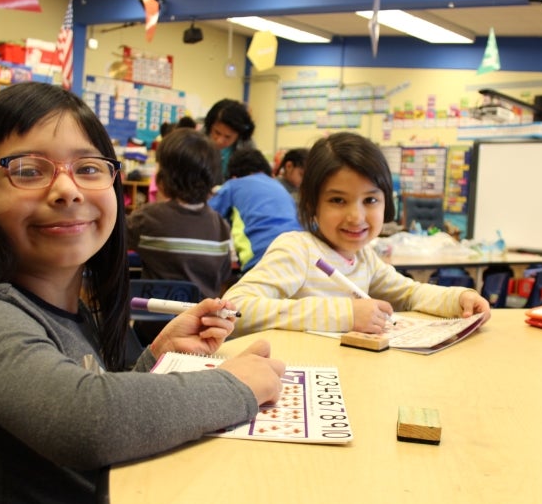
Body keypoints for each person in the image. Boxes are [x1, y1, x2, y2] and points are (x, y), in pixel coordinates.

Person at [0, 82, 284, 504]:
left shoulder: (71, 310)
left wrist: (156, 356)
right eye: (27, 170)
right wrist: (235, 386)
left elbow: (90, 399)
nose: (66, 190)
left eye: (88, 168)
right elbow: (84, 420)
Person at [223, 131, 491, 337]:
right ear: (311, 204)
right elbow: (234, 308)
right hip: (300, 385)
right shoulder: (298, 249)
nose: (356, 217)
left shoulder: (364, 257)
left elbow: (410, 294)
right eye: (338, 201)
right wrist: (345, 314)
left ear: (387, 202)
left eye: (370, 201)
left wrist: (458, 299)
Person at [127, 128, 233, 343]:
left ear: (164, 176)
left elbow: (109, 242)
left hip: (152, 332)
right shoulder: (221, 226)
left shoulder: (147, 219)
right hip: (201, 331)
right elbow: (223, 276)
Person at [209, 148, 301, 275]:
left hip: (260, 258)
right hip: (299, 254)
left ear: (234, 175)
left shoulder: (233, 185)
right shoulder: (280, 187)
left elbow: (206, 215)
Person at [203, 98, 255, 185]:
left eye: (228, 137)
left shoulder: (247, 146)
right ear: (210, 126)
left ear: (239, 134)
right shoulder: (198, 140)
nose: (220, 141)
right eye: (217, 132)